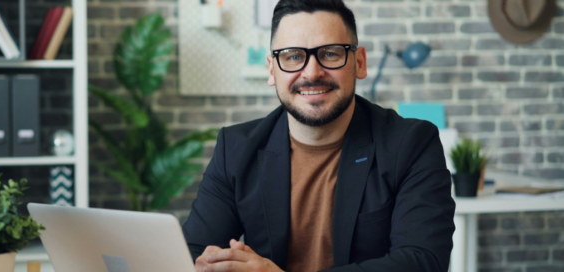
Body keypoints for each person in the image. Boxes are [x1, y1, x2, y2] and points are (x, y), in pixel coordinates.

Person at [181, 0, 456, 271]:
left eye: (331, 54)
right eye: (293, 56)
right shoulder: (235, 149)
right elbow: (190, 256)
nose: (312, 73)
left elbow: (423, 261)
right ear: (272, 69)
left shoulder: (412, 144)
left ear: (359, 63)